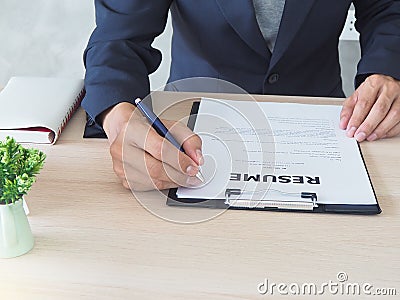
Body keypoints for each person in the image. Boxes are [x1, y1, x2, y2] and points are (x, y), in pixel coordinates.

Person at [82, 1, 400, 191]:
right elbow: (118, 36)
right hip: (190, 126)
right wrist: (118, 114)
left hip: (324, 121)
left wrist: (390, 70)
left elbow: (389, 10)